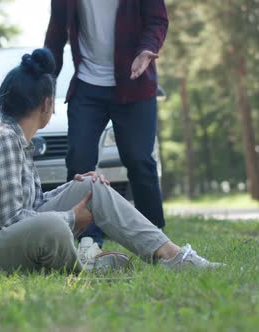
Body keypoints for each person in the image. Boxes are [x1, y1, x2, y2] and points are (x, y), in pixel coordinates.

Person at [0, 48, 222, 274]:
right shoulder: (3, 140)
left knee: (91, 185)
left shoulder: (18, 139)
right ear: (46, 104)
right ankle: (89, 269)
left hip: (1, 237)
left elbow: (31, 205)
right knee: (53, 227)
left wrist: (74, 189)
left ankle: (171, 255)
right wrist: (70, 217)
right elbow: (12, 220)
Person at [44, 0, 169, 258]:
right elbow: (55, 34)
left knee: (139, 160)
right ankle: (87, 239)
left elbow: (157, 19)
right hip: (87, 85)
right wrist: (48, 83)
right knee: (80, 160)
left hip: (135, 82)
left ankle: (156, 239)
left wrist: (147, 49)